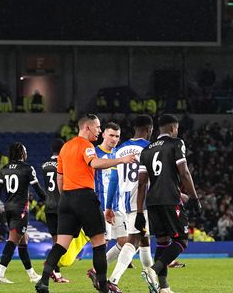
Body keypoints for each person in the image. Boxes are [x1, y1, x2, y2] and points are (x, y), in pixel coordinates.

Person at [34, 114, 136, 293]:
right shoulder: (87, 146)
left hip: (66, 199)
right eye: (97, 127)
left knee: (61, 245)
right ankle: (104, 287)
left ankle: (43, 281)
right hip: (85, 197)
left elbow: (60, 177)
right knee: (99, 243)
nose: (99, 131)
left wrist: (66, 197)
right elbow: (95, 163)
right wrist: (121, 160)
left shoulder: (65, 148)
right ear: (87, 128)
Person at [136, 114, 201, 293]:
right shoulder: (176, 143)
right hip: (170, 198)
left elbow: (142, 183)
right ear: (173, 128)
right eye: (176, 128)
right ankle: (152, 271)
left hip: (152, 202)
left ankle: (163, 288)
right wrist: (194, 198)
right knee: (182, 240)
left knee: (163, 242)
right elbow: (184, 173)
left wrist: (140, 212)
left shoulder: (146, 150)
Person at [103, 115, 155, 288]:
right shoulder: (149, 148)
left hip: (124, 200)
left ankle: (153, 280)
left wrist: (108, 206)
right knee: (133, 240)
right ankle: (113, 280)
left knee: (144, 240)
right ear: (149, 130)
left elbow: (113, 180)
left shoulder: (120, 149)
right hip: (142, 200)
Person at [0, 142, 47, 284]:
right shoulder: (27, 169)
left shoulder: (4, 169)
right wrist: (50, 201)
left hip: (8, 208)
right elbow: (38, 189)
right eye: (25, 150)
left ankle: (32, 275)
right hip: (20, 210)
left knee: (23, 240)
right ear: (21, 153)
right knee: (13, 241)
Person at [87, 122, 125, 288]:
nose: (114, 139)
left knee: (125, 241)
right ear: (103, 135)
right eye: (111, 135)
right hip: (101, 204)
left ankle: (95, 271)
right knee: (104, 241)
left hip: (118, 204)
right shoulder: (94, 153)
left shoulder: (119, 154)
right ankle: (102, 278)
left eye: (117, 136)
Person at [41, 138, 70, 283]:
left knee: (56, 242)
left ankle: (56, 274)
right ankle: (51, 266)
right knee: (62, 243)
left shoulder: (45, 165)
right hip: (62, 206)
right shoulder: (63, 164)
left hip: (49, 206)